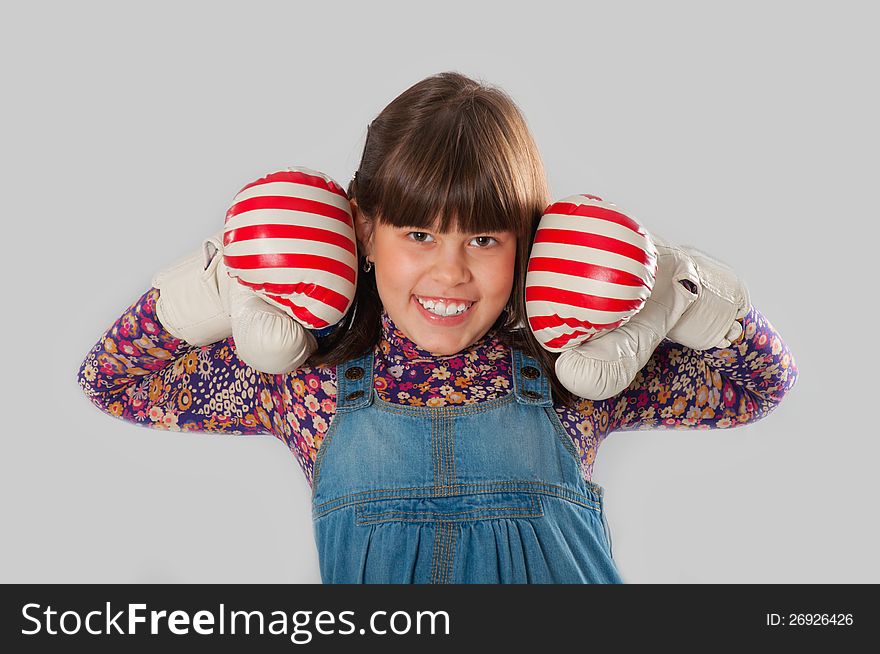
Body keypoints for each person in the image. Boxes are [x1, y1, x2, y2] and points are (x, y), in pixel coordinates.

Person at [76, 71, 799, 583]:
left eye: (484, 240)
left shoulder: (569, 374)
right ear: (362, 230)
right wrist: (215, 283)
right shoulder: (307, 383)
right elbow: (112, 382)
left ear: (527, 241)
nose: (451, 274)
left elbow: (760, 386)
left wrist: (682, 291)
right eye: (418, 234)